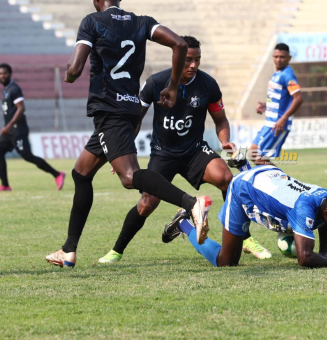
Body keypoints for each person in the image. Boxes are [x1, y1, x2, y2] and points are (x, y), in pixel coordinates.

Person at [45, 0, 211, 268]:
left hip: (109, 109)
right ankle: (68, 250)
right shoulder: (141, 22)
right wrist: (172, 86)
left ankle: (191, 204)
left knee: (128, 177)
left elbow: (76, 66)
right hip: (129, 107)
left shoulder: (91, 22)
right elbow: (179, 44)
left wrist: (69, 74)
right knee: (81, 173)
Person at [98, 35, 271, 263]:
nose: (193, 65)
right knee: (147, 203)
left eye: (197, 60)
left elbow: (221, 121)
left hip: (195, 151)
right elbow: (135, 119)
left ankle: (246, 240)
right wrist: (121, 152)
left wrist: (225, 141)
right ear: (176, 57)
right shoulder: (155, 83)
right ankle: (116, 251)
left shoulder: (208, 84)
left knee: (227, 179)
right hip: (163, 153)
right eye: (189, 59)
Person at [162, 162, 327, 268]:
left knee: (301, 223)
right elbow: (305, 258)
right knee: (226, 262)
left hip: (269, 174)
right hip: (242, 189)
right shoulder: (304, 208)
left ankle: (244, 164)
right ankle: (184, 224)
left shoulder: (326, 197)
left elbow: (323, 224)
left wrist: (323, 255)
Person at [0, 63, 66, 192]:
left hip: (17, 130)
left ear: (10, 74)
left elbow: (21, 109)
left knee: (27, 156)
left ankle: (57, 174)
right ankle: (5, 185)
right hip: (9, 131)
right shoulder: (6, 90)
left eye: (4, 73)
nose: (2, 76)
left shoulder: (14, 89)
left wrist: (9, 126)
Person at [251, 43, 303, 165]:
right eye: (276, 56)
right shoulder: (277, 73)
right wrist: (266, 106)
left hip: (277, 125)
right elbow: (280, 98)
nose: (278, 60)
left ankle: (284, 181)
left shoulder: (287, 75)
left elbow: (298, 99)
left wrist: (283, 118)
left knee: (258, 158)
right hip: (269, 123)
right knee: (253, 152)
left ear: (289, 58)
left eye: (282, 57)